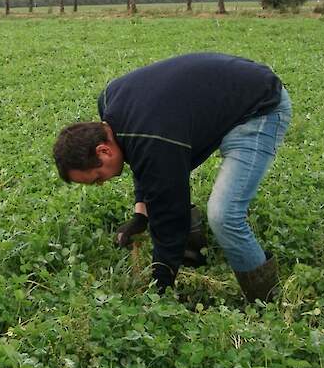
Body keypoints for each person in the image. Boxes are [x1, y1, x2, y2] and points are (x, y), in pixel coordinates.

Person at [53, 53, 292, 302]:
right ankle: (193, 242)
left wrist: (161, 285)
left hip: (261, 107)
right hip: (232, 95)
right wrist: (140, 213)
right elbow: (141, 157)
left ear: (103, 150)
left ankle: (266, 299)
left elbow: (166, 213)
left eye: (96, 178)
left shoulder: (151, 138)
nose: (101, 182)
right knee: (166, 182)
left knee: (224, 215)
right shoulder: (109, 102)